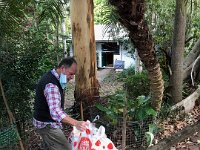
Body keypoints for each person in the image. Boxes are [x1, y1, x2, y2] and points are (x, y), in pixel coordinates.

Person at [33, 57, 88, 150]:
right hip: (46, 125)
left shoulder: (53, 76)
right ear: (63, 68)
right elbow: (55, 111)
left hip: (45, 121)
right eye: (71, 74)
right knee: (66, 148)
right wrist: (76, 123)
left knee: (50, 145)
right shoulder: (51, 85)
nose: (72, 77)